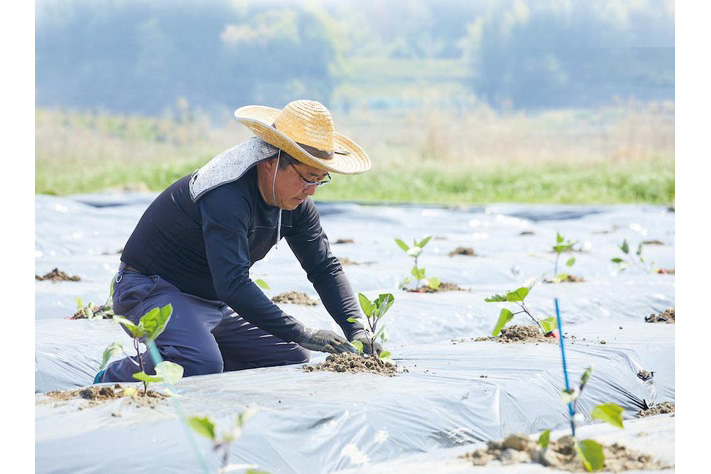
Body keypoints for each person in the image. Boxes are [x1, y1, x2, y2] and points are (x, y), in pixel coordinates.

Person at [96, 100, 380, 383]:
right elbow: (232, 283)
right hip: (152, 289)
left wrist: (356, 329)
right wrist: (302, 332)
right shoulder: (226, 194)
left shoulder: (295, 203)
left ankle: (201, 361)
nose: (313, 191)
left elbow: (324, 268)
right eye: (308, 178)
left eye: (320, 179)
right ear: (272, 163)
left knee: (289, 357)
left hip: (209, 301)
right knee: (198, 361)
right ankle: (110, 377)